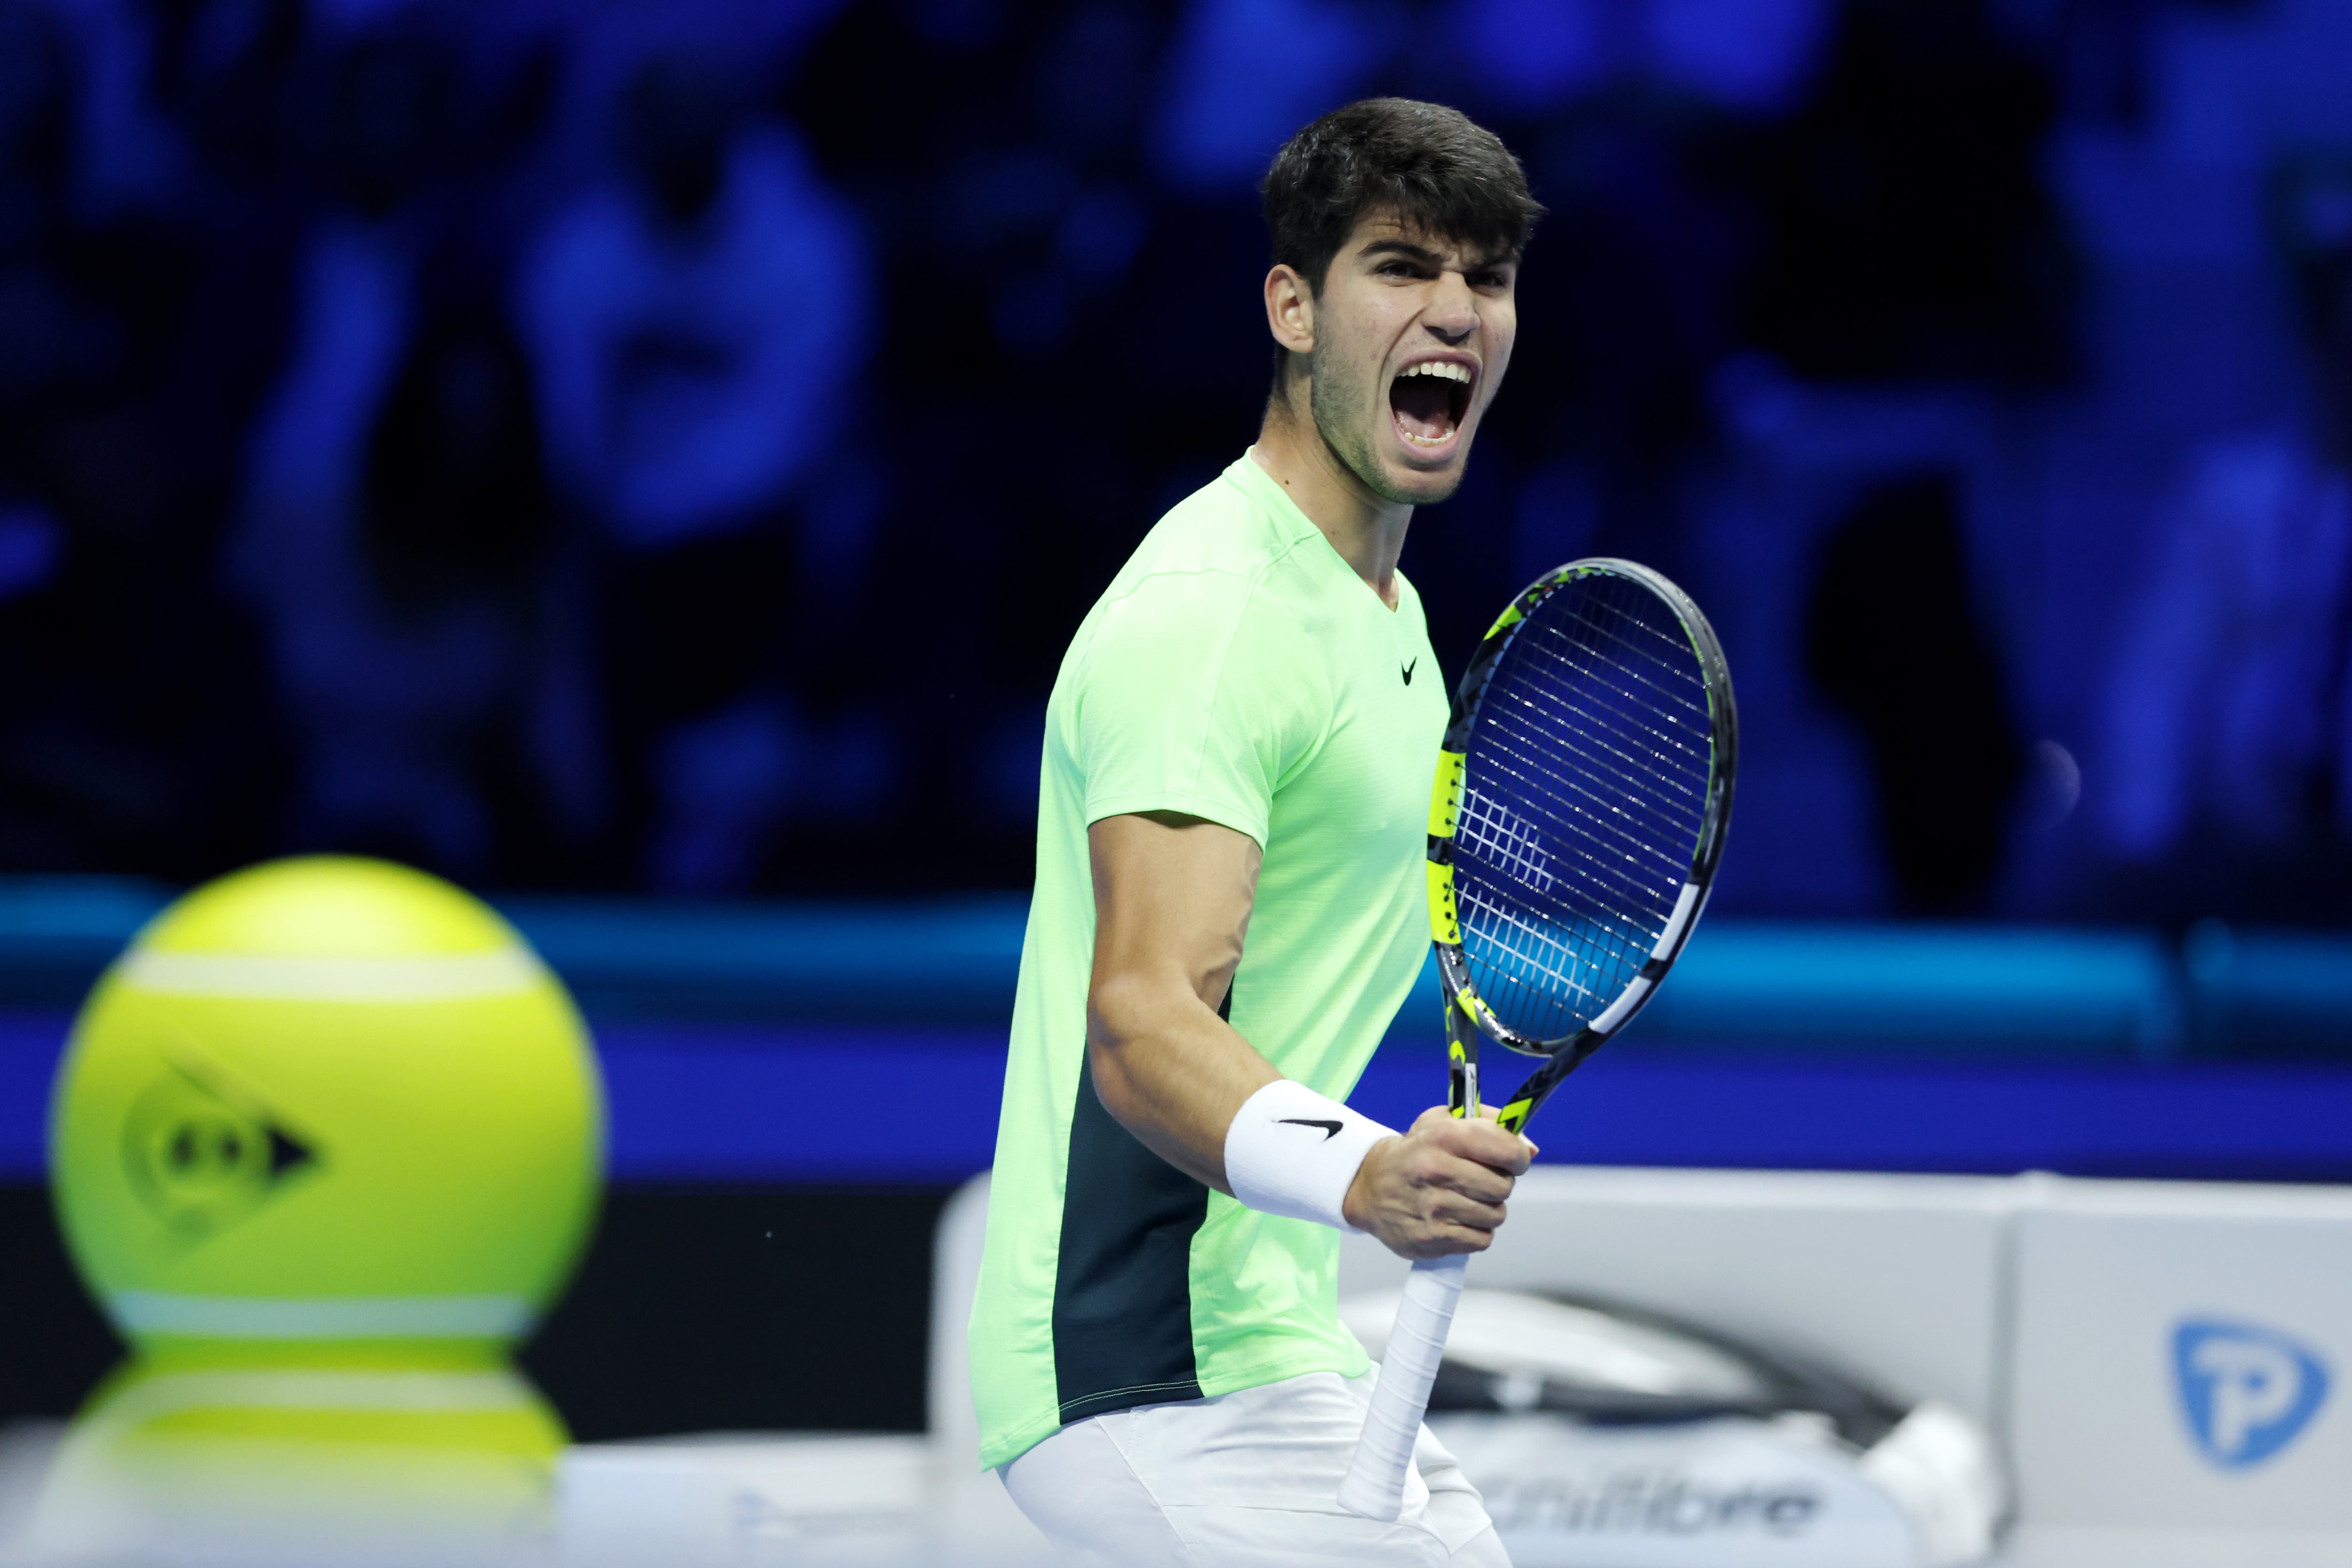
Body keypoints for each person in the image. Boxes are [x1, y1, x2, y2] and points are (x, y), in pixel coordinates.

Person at [969, 98, 1543, 1566]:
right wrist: (1363, 1174)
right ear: (1292, 305)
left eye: (1485, 277)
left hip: (1267, 1335)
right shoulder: (1215, 617)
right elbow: (1143, 1017)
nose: (1455, 312)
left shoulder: (1392, 622)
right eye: (1401, 266)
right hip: (1140, 1366)